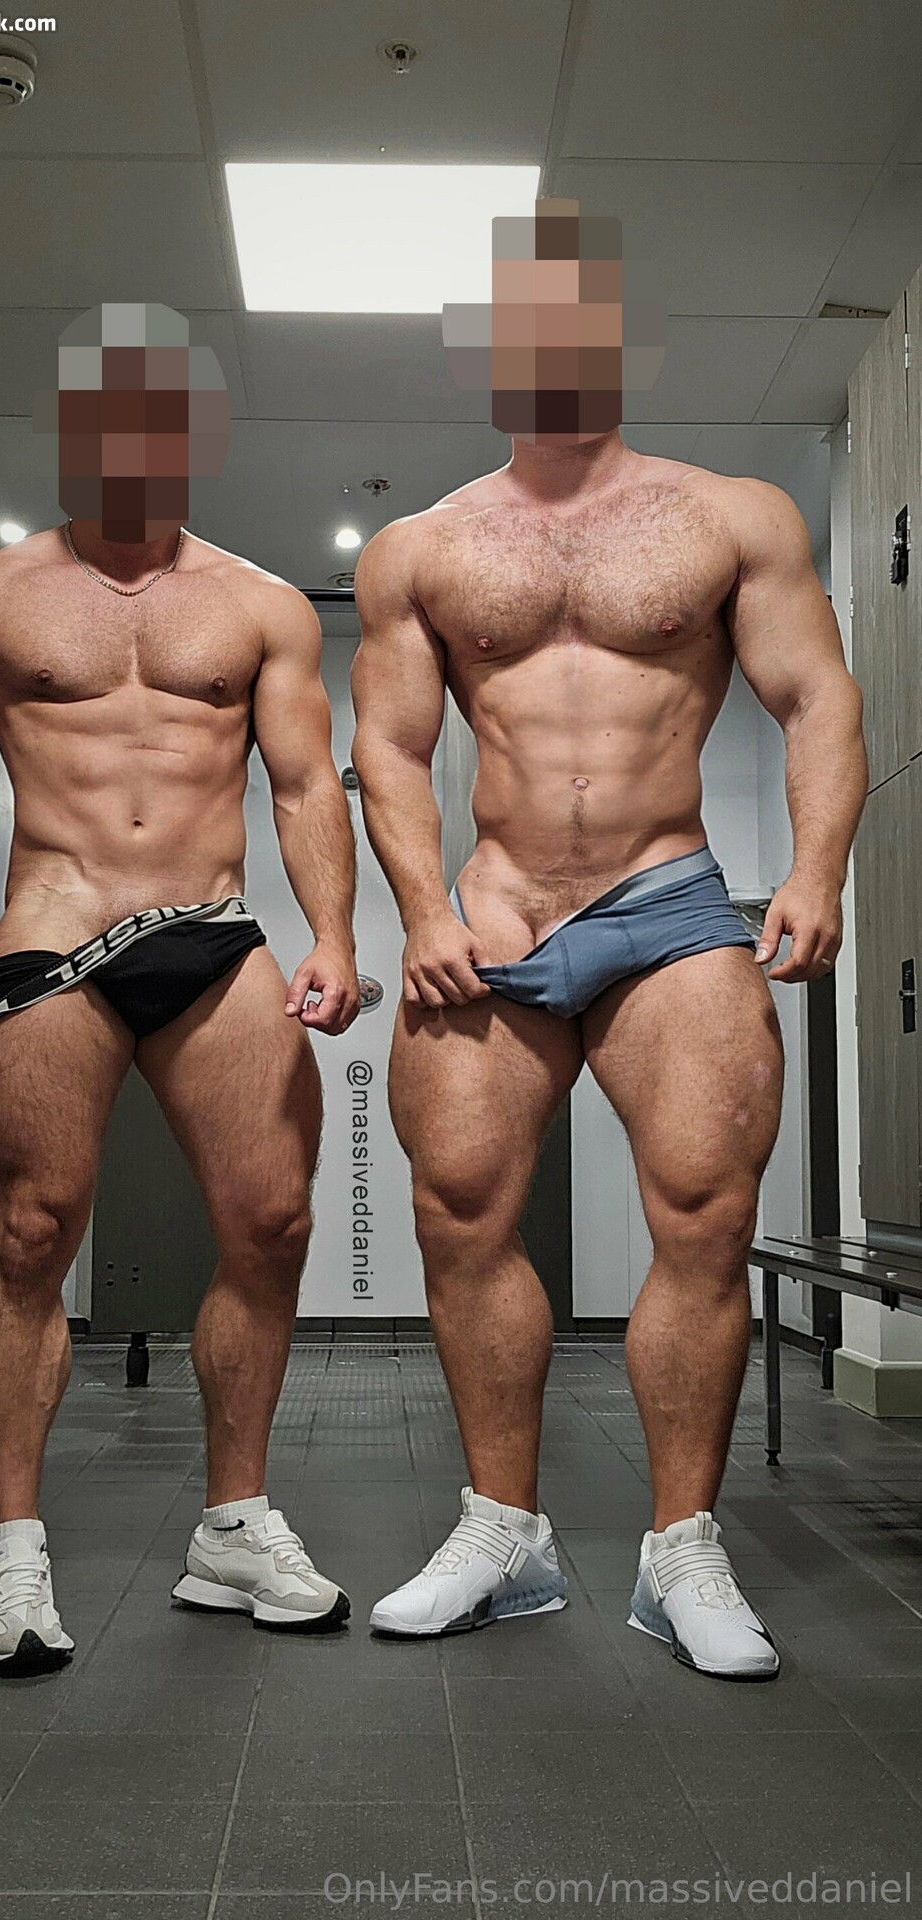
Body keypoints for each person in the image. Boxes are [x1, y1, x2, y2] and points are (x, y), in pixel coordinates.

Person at [351, 200, 866, 1679]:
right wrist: (424, 910)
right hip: (495, 908)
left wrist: (817, 871)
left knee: (703, 1216)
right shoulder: (421, 547)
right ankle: (500, 1532)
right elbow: (390, 749)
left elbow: (817, 698)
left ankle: (680, 1549)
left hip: (669, 902)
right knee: (460, 1214)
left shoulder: (731, 517)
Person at [0, 304, 360, 1676]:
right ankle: (16, 1546)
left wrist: (332, 934)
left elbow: (301, 785)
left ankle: (234, 1524)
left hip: (211, 931)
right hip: (53, 927)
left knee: (271, 1221)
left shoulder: (262, 605)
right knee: (32, 1232)